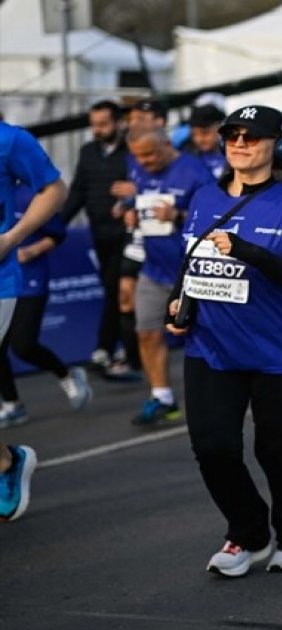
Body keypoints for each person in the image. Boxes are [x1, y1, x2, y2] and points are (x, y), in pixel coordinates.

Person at [166, 105, 282, 575]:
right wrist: (178, 303)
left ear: (276, 145)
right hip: (211, 347)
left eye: (251, 137)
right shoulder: (202, 198)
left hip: (278, 352)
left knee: (276, 451)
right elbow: (193, 263)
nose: (239, 142)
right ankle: (247, 533)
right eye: (232, 135)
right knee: (212, 447)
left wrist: (247, 251)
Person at [120, 129, 216, 426]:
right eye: (137, 156)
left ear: (165, 144)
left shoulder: (194, 171)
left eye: (149, 154)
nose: (143, 161)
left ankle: (219, 395)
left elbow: (217, 217)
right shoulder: (138, 168)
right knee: (147, 332)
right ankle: (162, 397)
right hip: (153, 267)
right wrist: (128, 212)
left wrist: (177, 215)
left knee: (207, 337)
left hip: (193, 270)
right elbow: (134, 201)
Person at [0, 119, 69, 523]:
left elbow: (54, 190)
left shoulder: (9, 139)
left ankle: (8, 463)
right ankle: (7, 461)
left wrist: (12, 238)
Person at [0, 184, 92, 426]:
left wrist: (30, 251)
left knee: (23, 344)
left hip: (29, 279)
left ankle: (67, 374)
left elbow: (57, 234)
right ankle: (12, 404)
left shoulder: (29, 195)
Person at [60, 100, 132, 376]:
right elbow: (78, 191)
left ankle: (107, 349)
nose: (97, 130)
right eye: (94, 125)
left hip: (126, 235)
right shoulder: (88, 152)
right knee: (113, 291)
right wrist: (57, 225)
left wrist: (129, 200)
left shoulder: (132, 152)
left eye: (103, 124)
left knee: (118, 290)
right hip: (98, 234)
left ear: (117, 122)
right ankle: (121, 348)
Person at [183, 105, 228, 180]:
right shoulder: (187, 156)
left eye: (205, 133)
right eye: (194, 134)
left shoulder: (236, 153)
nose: (198, 139)